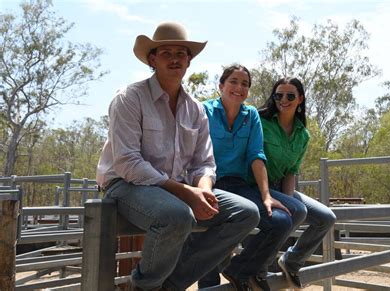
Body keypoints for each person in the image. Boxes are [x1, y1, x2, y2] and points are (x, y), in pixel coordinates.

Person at [96, 23, 260, 291]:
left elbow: (204, 162)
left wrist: (204, 190)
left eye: (181, 53)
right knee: (177, 216)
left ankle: (171, 285)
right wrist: (186, 193)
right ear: (152, 59)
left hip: (176, 189)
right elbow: (127, 163)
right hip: (126, 185)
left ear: (189, 60)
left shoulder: (195, 109)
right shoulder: (129, 98)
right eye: (166, 52)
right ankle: (145, 286)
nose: (174, 58)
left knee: (246, 213)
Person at [199, 65, 307, 290]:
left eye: (245, 84)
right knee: (210, 234)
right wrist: (199, 189)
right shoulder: (203, 111)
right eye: (233, 82)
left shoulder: (251, 116)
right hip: (208, 182)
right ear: (221, 86)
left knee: (282, 219)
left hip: (239, 185)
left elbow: (256, 155)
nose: (239, 88)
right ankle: (210, 285)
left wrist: (266, 195)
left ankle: (242, 269)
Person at [258, 77, 337, 288]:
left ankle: (291, 261)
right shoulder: (261, 122)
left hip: (282, 187)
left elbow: (291, 171)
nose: (284, 100)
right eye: (278, 95)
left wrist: (288, 200)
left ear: (300, 99)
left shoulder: (303, 134)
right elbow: (254, 159)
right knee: (285, 218)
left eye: (290, 96)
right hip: (259, 186)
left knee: (326, 218)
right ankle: (259, 269)